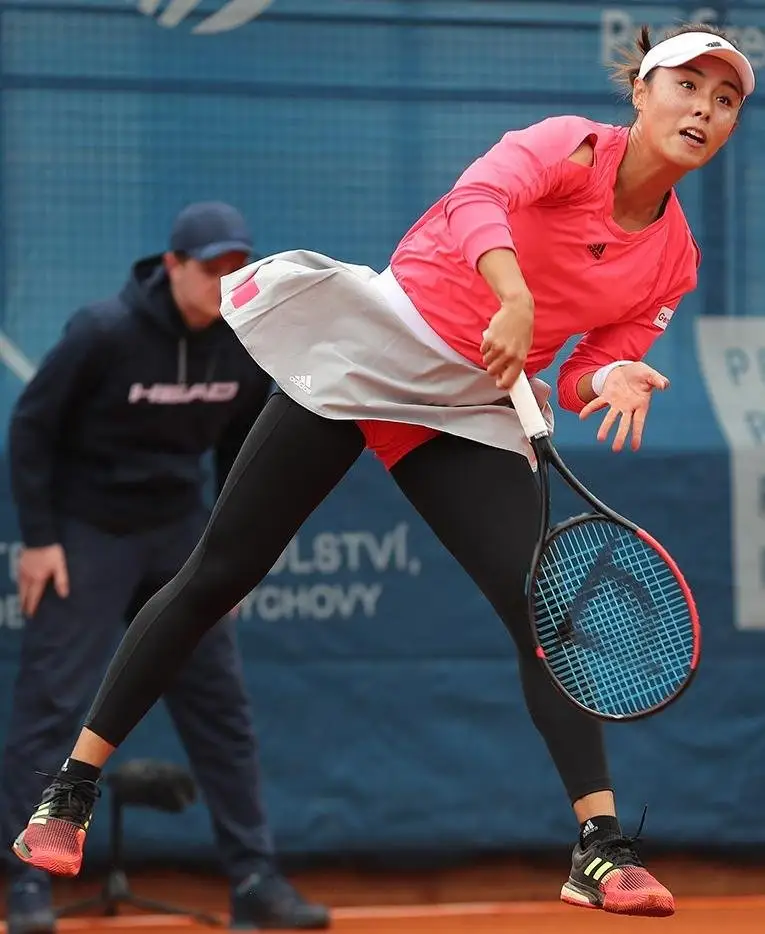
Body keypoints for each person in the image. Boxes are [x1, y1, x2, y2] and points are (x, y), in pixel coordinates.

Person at [11, 23, 753, 919]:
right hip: (373, 351)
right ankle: (71, 788)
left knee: (545, 613)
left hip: (470, 404)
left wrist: (609, 376)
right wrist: (513, 294)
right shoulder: (572, 149)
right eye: (686, 86)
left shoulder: (674, 258)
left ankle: (598, 846)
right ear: (640, 92)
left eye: (724, 100)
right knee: (217, 574)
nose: (703, 110)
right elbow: (477, 197)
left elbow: (585, 367)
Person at [1, 202, 329, 933]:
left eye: (235, 267)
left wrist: (231, 556)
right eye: (210, 268)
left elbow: (245, 449)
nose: (223, 281)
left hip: (178, 530)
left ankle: (254, 880)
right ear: (173, 266)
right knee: (52, 705)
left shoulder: (243, 340)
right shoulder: (103, 332)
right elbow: (32, 428)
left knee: (221, 713)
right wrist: (42, 538)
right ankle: (27, 884)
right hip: (89, 532)